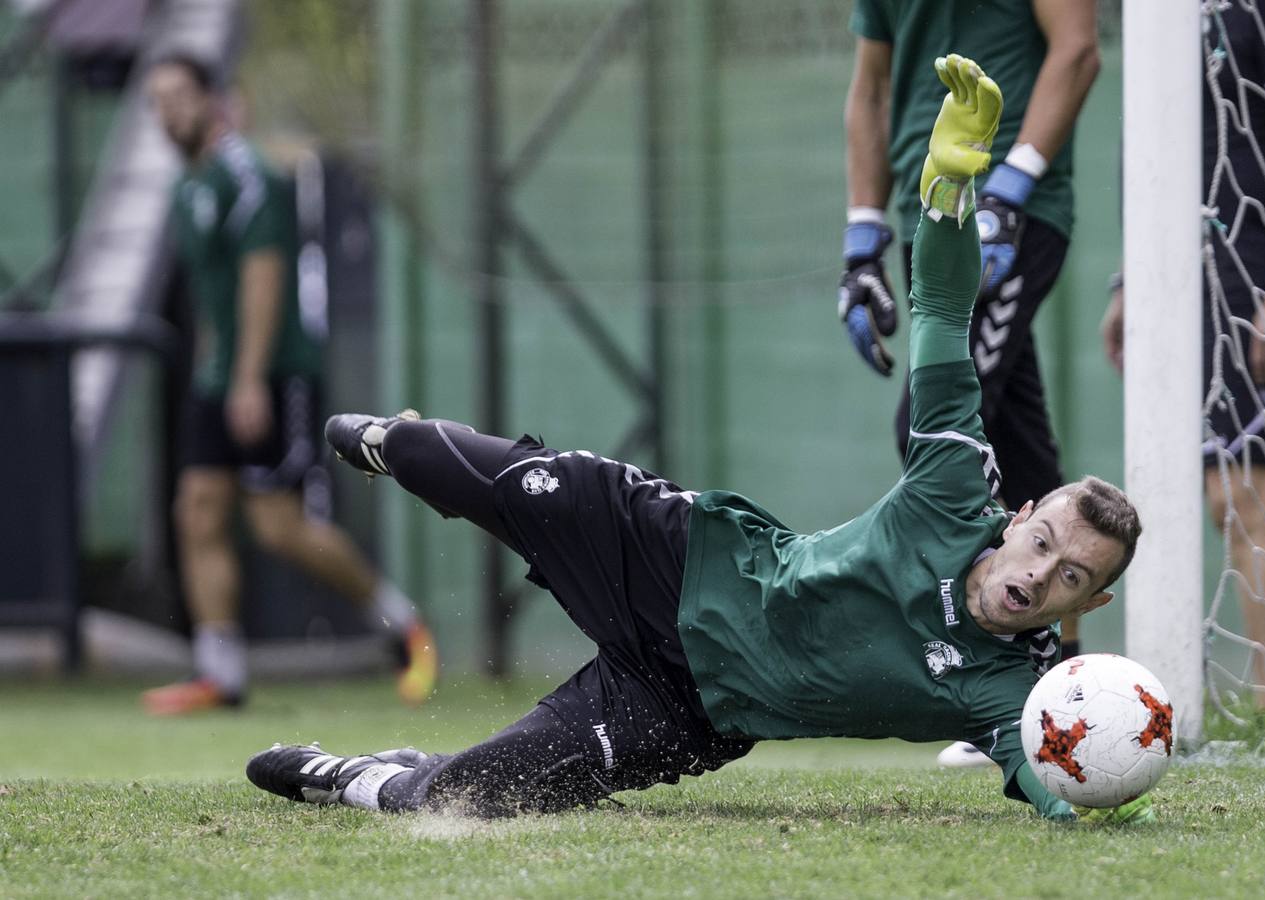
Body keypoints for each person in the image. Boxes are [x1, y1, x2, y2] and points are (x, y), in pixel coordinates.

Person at [247, 57, 1149, 824]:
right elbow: (945, 313)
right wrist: (950, 196)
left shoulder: (1020, 689)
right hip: (684, 560)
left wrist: (1078, 793)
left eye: (1070, 577)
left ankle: (354, 774)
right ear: (1019, 516)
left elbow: (1039, 767)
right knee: (434, 460)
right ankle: (393, 441)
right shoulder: (958, 483)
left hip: (688, 709)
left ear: (1090, 607)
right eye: (1042, 541)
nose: (1038, 574)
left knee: (459, 799)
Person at [837, 0, 1101, 767]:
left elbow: (1078, 50)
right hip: (935, 209)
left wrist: (1013, 188)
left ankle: (998, 681)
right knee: (1013, 440)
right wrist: (862, 241)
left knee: (937, 428)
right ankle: (1062, 687)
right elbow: (870, 88)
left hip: (1014, 212)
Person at [140, 53, 439, 715]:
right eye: (157, 100)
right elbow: (213, 298)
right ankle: (221, 674)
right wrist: (213, 375)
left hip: (272, 375)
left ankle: (404, 627)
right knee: (197, 510)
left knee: (279, 528)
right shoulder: (186, 187)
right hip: (219, 378)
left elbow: (263, 276)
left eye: (180, 97)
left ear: (213, 99)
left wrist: (247, 377)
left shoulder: (246, 174)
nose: (169, 112)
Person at [1101, 0, 1265, 721]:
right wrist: (1128, 283)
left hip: (1260, 281)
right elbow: (1161, 165)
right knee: (1254, 501)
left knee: (1246, 495)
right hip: (1190, 294)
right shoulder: (1166, 25)